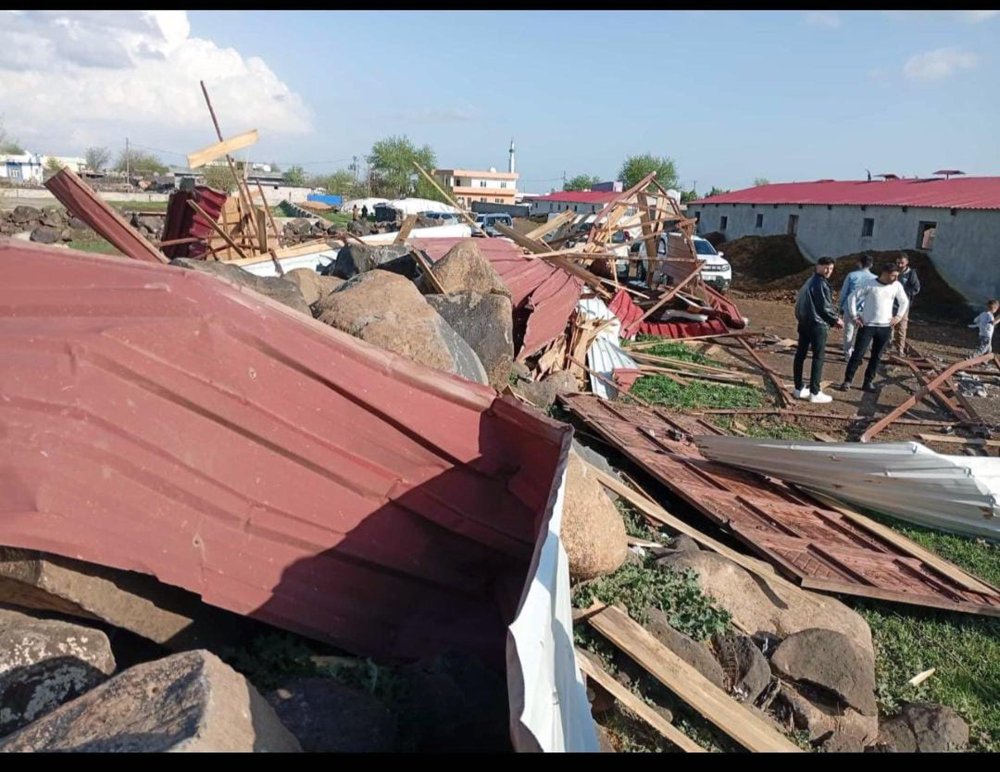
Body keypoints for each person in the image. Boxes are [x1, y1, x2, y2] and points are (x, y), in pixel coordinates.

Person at [838, 262, 909, 393]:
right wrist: (854, 316)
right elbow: (852, 297)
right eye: (893, 276)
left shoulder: (896, 286)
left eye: (896, 276)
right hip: (868, 325)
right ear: (885, 273)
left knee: (876, 356)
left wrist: (898, 316)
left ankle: (868, 381)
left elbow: (904, 301)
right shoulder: (870, 283)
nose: (895, 279)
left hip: (885, 327)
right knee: (858, 354)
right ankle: (847, 380)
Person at [793, 257, 843, 404]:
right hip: (817, 324)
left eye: (831, 268)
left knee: (800, 354)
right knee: (818, 357)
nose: (828, 271)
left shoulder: (810, 281)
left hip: (804, 322)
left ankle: (799, 388)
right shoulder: (820, 283)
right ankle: (815, 391)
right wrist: (835, 320)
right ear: (818, 266)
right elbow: (823, 307)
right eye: (826, 267)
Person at [839, 254, 876, 360]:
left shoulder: (851, 275)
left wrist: (840, 306)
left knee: (848, 332)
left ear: (859, 263)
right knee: (864, 333)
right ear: (871, 265)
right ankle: (860, 354)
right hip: (866, 310)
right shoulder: (875, 278)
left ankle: (848, 355)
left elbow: (844, 293)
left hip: (850, 308)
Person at [891, 253, 920, 355]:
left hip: (903, 305)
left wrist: (903, 293)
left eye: (902, 263)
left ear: (907, 262)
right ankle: (886, 347)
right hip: (890, 304)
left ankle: (900, 349)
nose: (899, 265)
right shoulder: (892, 271)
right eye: (898, 263)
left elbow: (916, 288)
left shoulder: (911, 274)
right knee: (888, 326)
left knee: (901, 328)